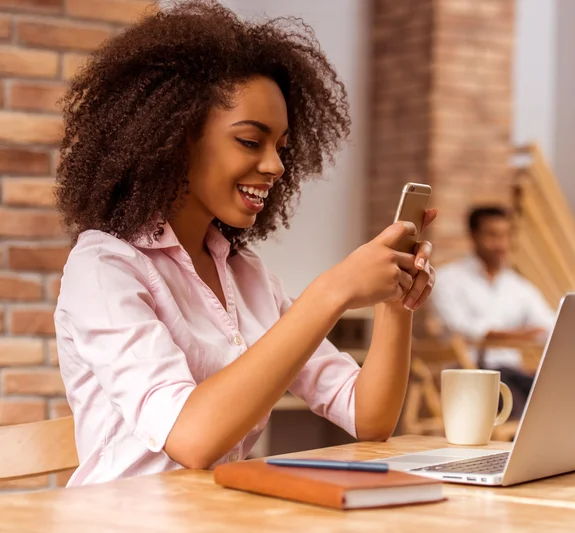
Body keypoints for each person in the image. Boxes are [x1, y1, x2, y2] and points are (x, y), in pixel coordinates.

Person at [53, 1, 437, 487]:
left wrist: (394, 304)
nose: (275, 166)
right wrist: (331, 291)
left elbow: (368, 416)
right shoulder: (105, 268)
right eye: (251, 141)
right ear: (176, 139)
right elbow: (192, 438)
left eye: (280, 146)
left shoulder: (247, 275)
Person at [431, 206, 555, 417]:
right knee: (516, 408)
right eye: (493, 235)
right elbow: (464, 328)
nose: (501, 244)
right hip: (469, 373)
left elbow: (550, 326)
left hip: (513, 371)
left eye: (506, 235)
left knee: (557, 393)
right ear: (473, 235)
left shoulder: (519, 287)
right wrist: (518, 334)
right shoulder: (447, 280)